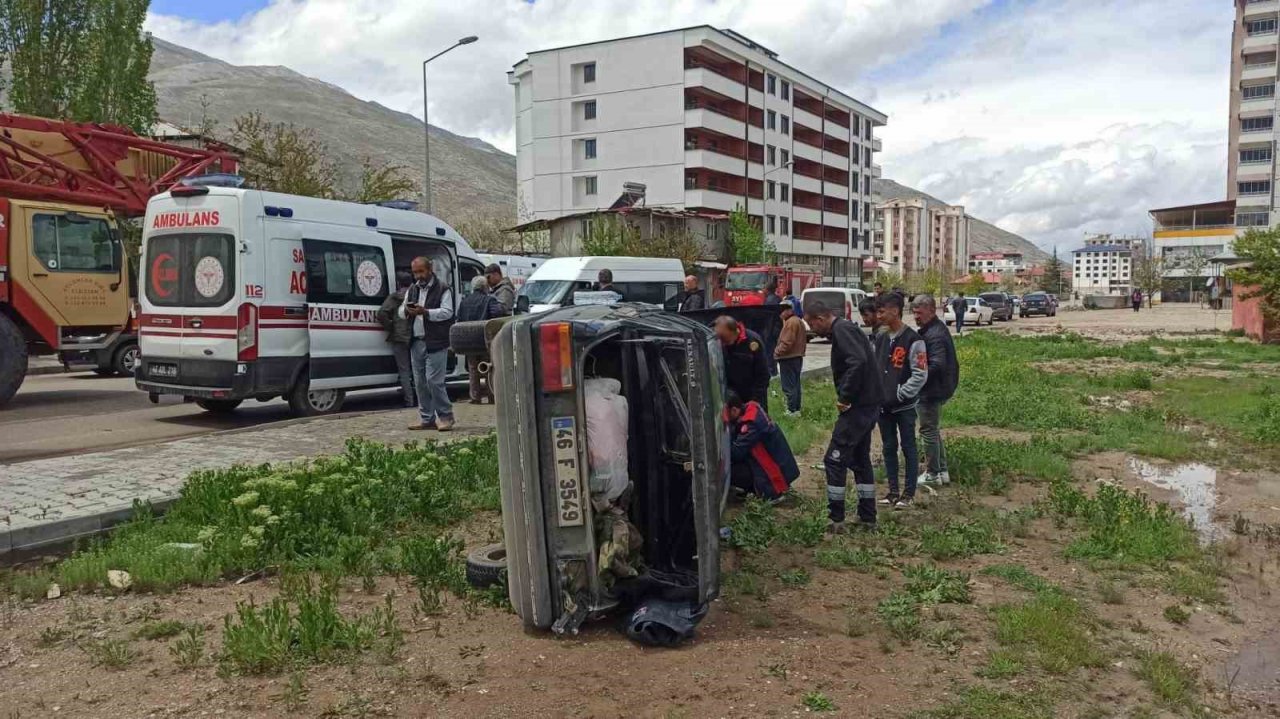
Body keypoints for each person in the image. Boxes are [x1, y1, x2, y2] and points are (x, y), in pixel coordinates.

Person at [805, 300, 884, 533]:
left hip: (858, 407)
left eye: (811, 324)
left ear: (820, 318)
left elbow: (857, 362)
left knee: (834, 460)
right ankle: (868, 516)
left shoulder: (841, 330)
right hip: (868, 404)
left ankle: (836, 519)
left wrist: (845, 397)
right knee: (860, 460)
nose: (811, 329)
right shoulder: (847, 328)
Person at [874, 293, 928, 509]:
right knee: (888, 447)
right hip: (882, 405)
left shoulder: (914, 340)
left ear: (895, 311)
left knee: (908, 447)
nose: (879, 316)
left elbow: (920, 374)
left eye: (882, 311)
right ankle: (893, 490)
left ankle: (909, 493)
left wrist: (900, 393)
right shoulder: (881, 338)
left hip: (903, 405)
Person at [400, 256, 455, 431]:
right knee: (420, 382)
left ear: (430, 270)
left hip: (436, 341)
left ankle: (446, 416)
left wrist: (426, 312)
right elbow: (401, 311)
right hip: (416, 341)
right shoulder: (413, 289)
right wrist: (407, 310)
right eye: (415, 272)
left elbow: (447, 312)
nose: (418, 276)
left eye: (421, 272)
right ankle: (427, 419)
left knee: (434, 381)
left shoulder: (443, 289)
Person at [911, 294, 960, 488]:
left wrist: (916, 377)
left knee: (928, 430)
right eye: (914, 313)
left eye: (919, 313)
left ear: (931, 310)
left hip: (932, 390)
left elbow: (937, 364)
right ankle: (942, 470)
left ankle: (932, 473)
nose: (916, 317)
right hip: (937, 387)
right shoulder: (932, 330)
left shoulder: (935, 335)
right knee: (933, 429)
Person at [725, 390, 799, 501]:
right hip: (781, 466)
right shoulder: (752, 408)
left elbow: (735, 453)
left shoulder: (751, 424)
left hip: (774, 476)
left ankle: (768, 493)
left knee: (730, 471)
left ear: (734, 410)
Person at [457, 275, 503, 404]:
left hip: (469, 340)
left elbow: (459, 319)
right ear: (485, 287)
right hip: (485, 339)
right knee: (488, 367)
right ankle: (491, 396)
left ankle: (475, 397)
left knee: (473, 369)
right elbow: (497, 314)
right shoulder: (489, 300)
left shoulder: (464, 301)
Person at [713, 315, 770, 413]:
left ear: (734, 331)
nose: (723, 343)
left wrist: (755, 401)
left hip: (753, 397)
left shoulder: (752, 342)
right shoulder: (719, 344)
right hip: (732, 398)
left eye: (724, 338)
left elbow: (763, 374)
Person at [377, 271, 417, 408]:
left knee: (404, 370)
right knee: (418, 369)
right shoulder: (416, 296)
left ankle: (409, 401)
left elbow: (381, 313)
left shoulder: (395, 297)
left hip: (399, 337)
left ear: (398, 283)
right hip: (415, 336)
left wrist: (391, 327)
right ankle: (421, 398)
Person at [774, 300, 807, 415]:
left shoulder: (790, 323)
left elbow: (787, 342)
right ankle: (796, 409)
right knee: (796, 384)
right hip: (797, 357)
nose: (781, 314)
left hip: (788, 357)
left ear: (789, 310)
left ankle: (791, 409)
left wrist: (776, 352)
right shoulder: (798, 321)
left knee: (789, 386)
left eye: (783, 311)